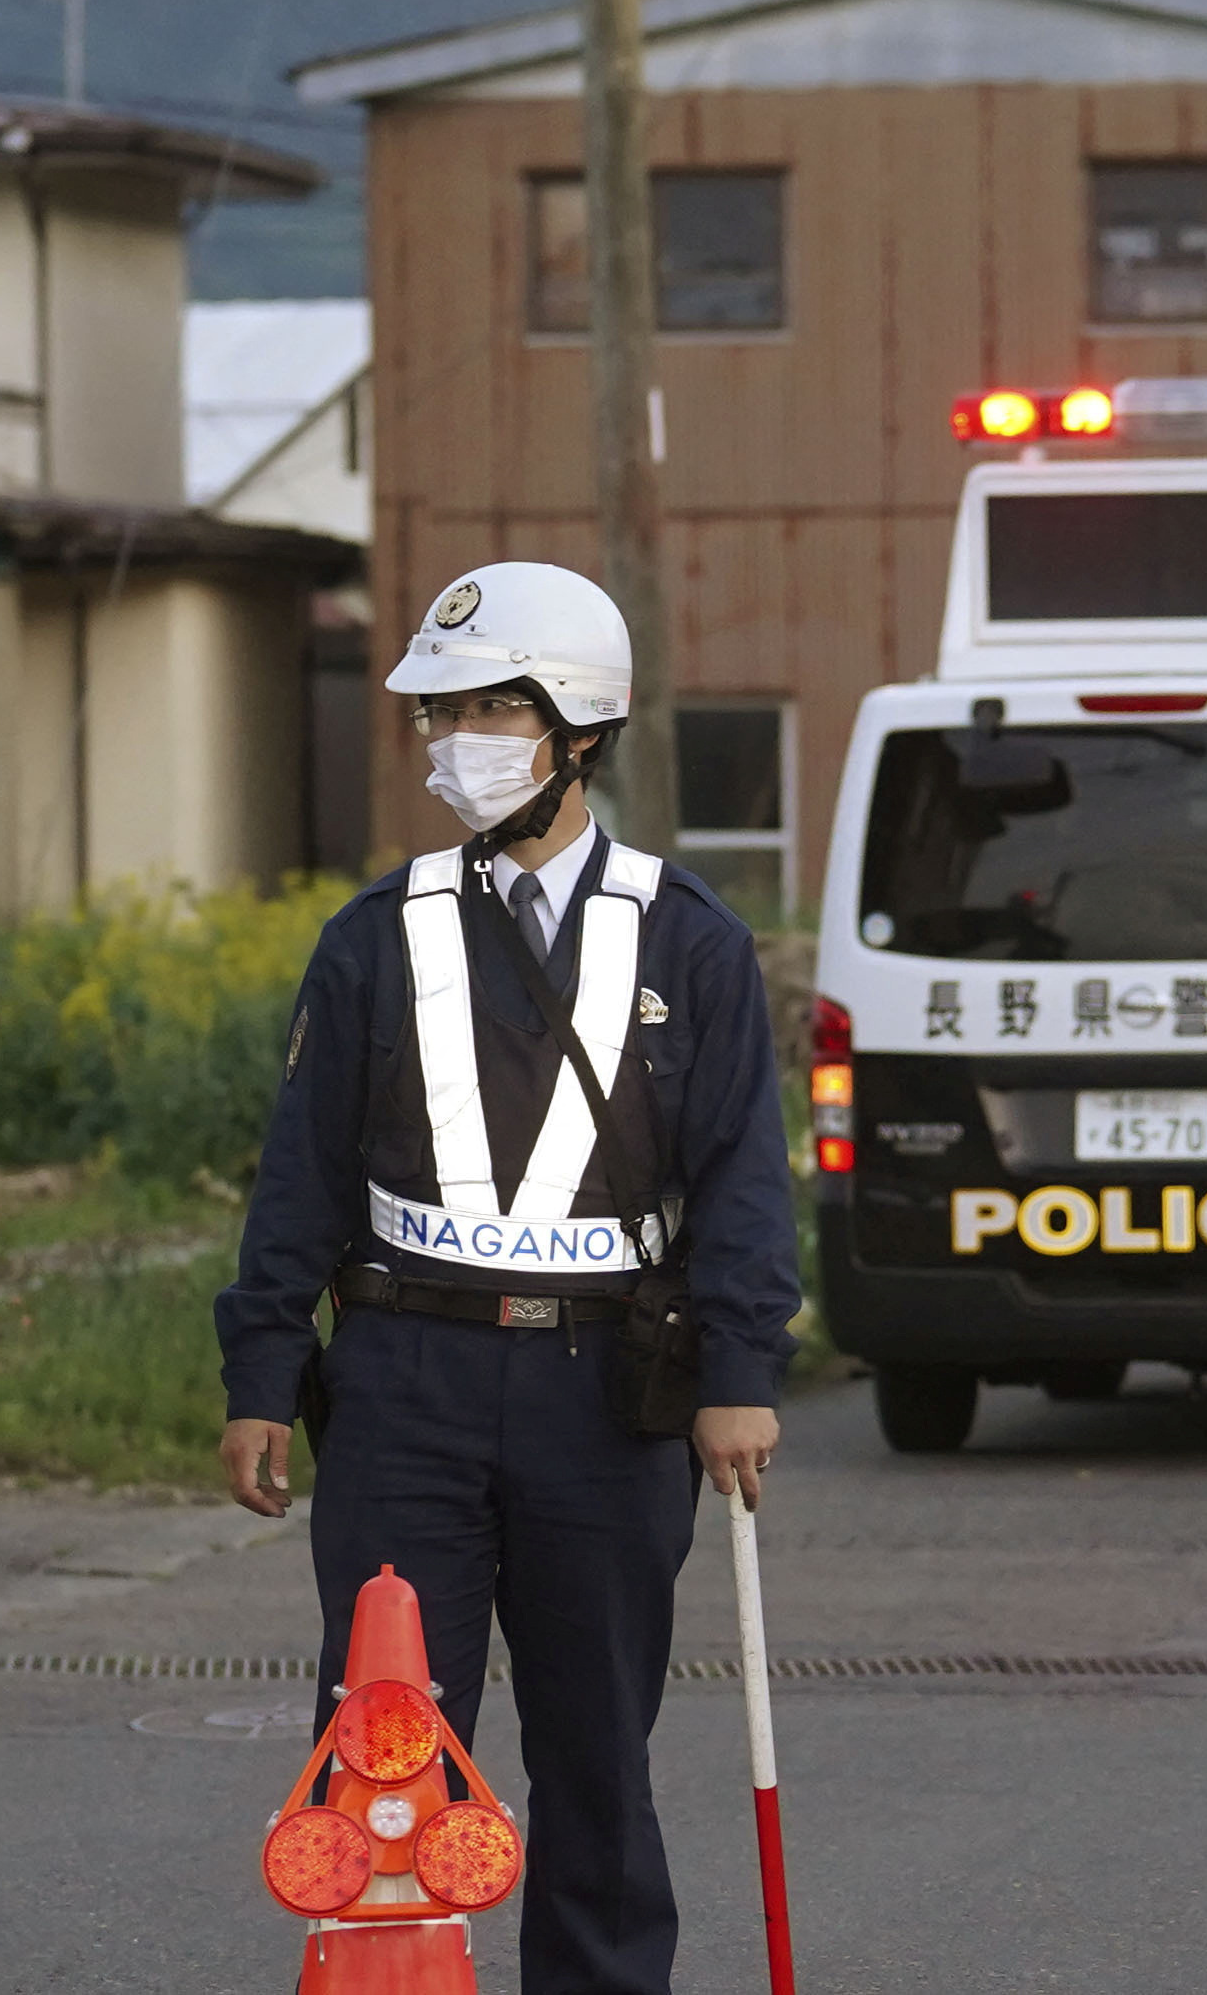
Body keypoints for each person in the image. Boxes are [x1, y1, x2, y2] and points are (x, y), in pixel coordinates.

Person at [215, 560, 797, 1995]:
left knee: (598, 1749)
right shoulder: (374, 935)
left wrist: (739, 1375)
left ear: (577, 729)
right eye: (441, 711)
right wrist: (260, 1375)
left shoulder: (692, 939)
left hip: (608, 1395)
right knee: (383, 1737)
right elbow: (299, 1174)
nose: (452, 740)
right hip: (404, 1380)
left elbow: (741, 1176)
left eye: (490, 709)